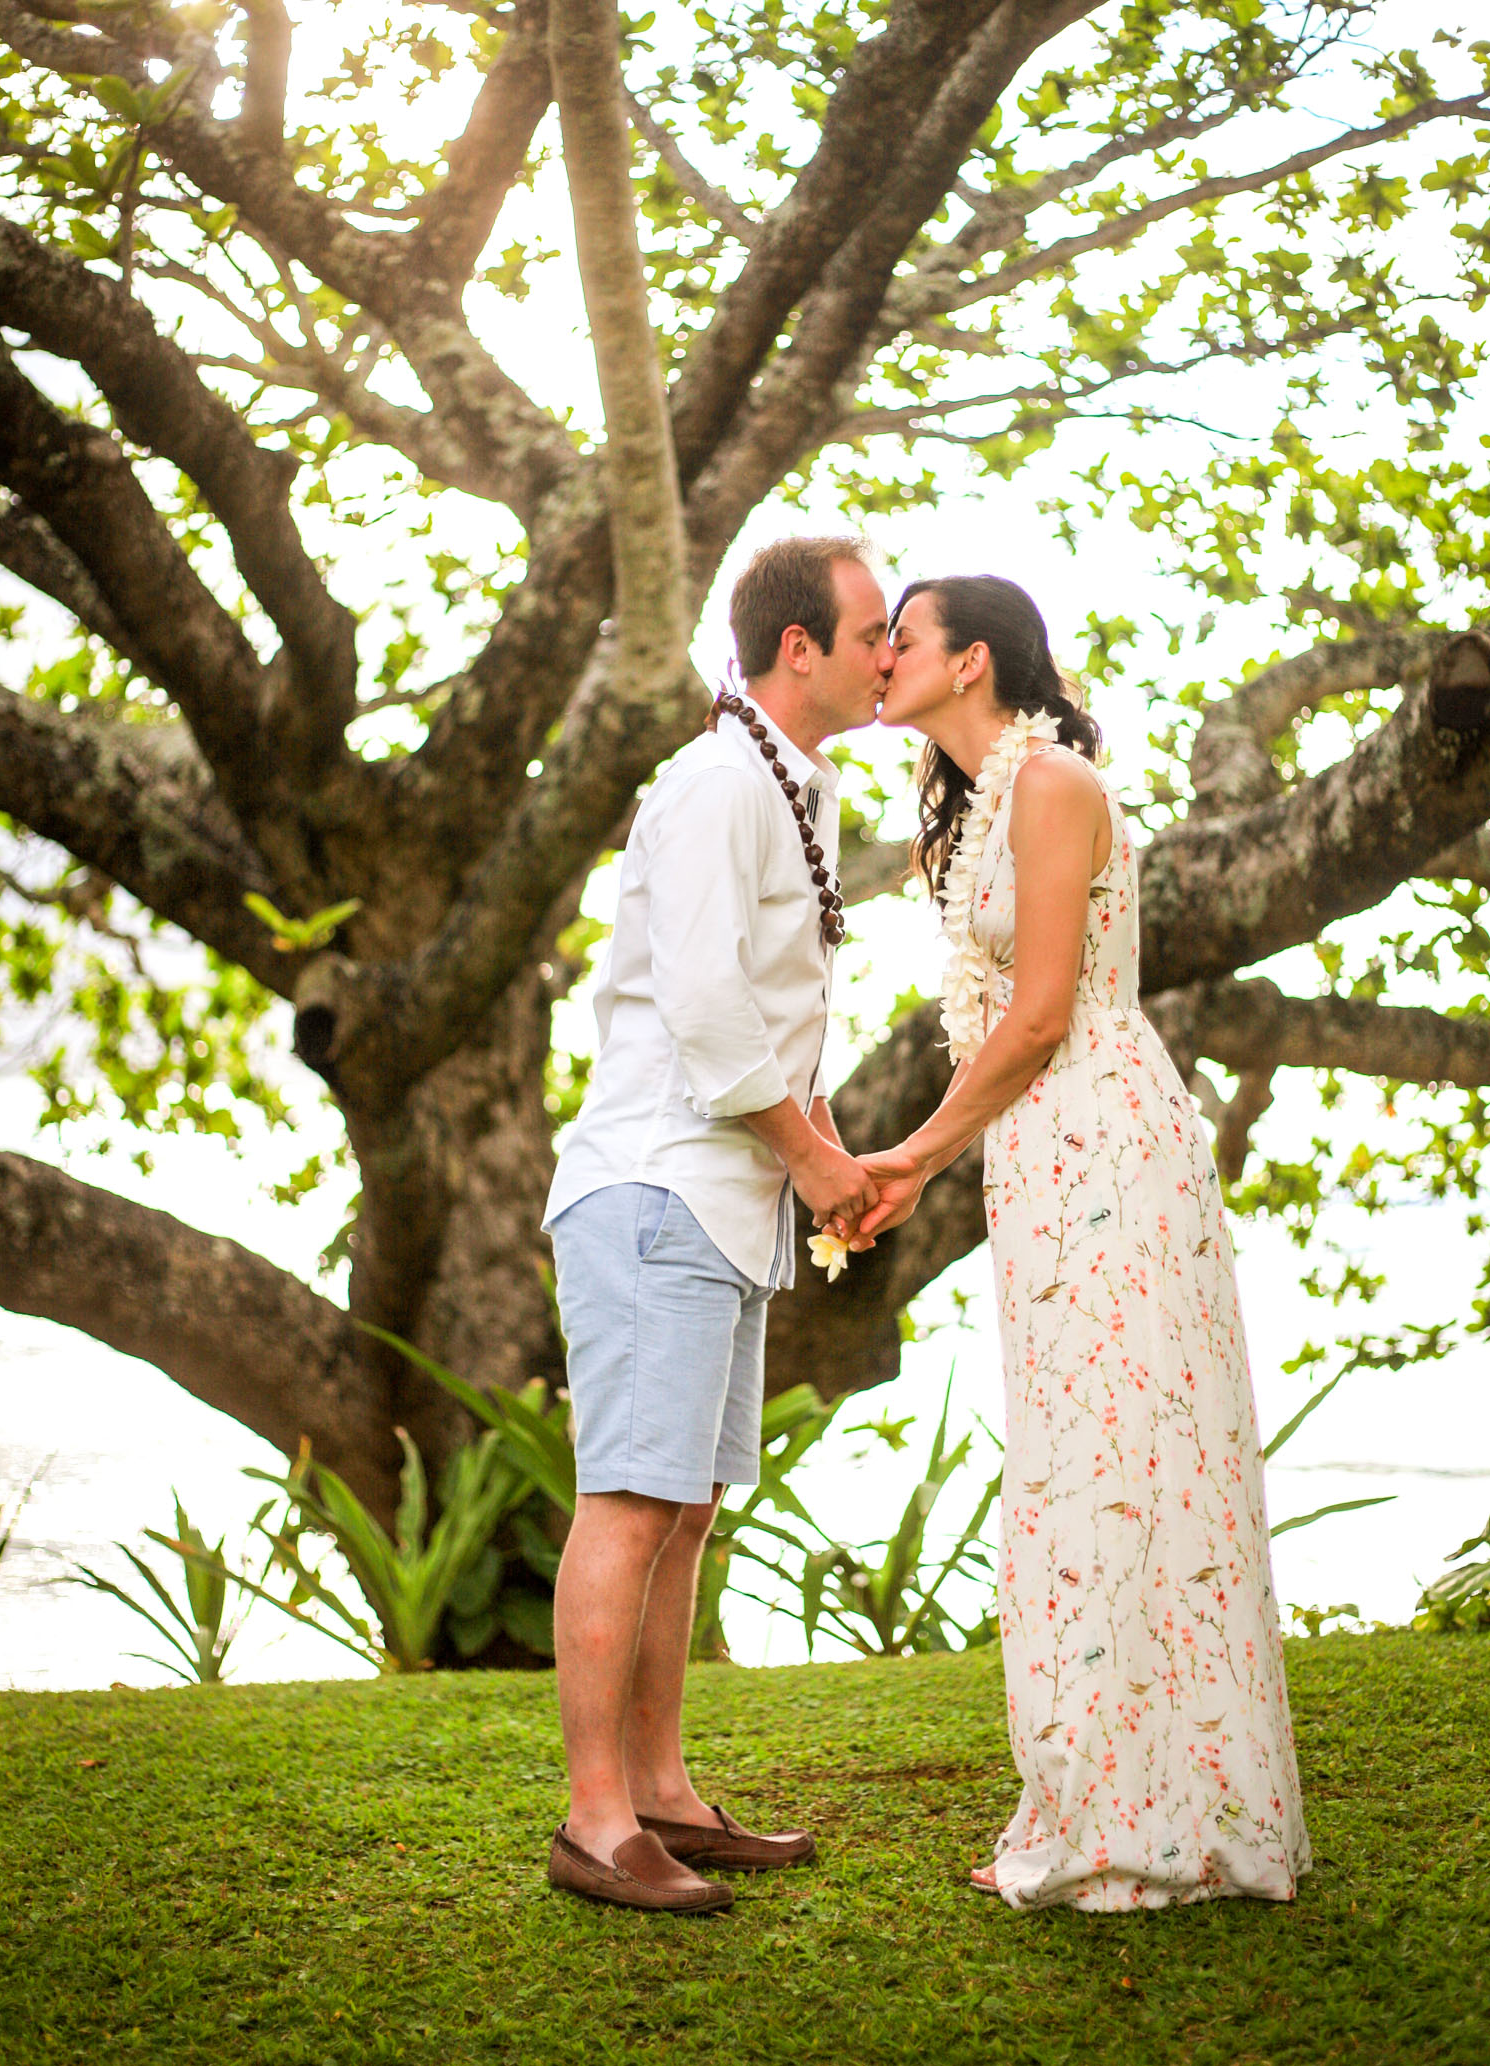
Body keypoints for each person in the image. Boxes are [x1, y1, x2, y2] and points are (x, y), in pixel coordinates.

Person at [852, 572, 1312, 1912]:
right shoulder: (963, 811)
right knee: (1075, 1457)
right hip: (1037, 1158)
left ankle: (1155, 1813)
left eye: (905, 639)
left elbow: (1045, 1009)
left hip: (1105, 1135)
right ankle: (1092, 1789)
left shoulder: (1053, 787)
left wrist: (912, 1153)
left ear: (973, 660)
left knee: (1128, 1454)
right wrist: (950, 1154)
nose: (882, 657)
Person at [541, 533, 894, 1914]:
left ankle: (666, 1793)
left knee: (683, 1508)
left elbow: (760, 1013)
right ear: (796, 645)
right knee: (630, 1500)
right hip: (658, 1187)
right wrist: (813, 1156)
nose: (887, 649)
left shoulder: (775, 780)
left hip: (723, 1201)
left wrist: (813, 1158)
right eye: (871, 628)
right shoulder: (710, 783)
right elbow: (701, 1009)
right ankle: (594, 1820)